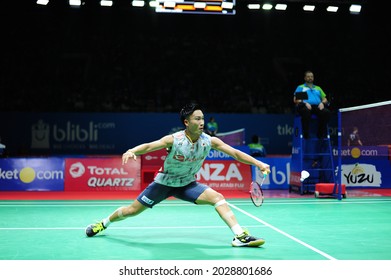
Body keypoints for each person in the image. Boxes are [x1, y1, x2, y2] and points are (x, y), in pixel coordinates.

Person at [85, 103, 271, 247]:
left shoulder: (210, 141)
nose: (201, 122)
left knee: (218, 198)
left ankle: (240, 236)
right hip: (163, 184)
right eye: (197, 119)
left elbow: (236, 153)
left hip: (187, 185)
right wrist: (132, 150)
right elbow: (150, 146)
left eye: (202, 119)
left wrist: (258, 163)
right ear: (186, 122)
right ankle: (103, 223)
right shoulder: (174, 140)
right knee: (131, 211)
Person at [293, 70, 331, 139]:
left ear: (313, 78)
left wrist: (322, 103)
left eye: (311, 77)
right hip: (305, 106)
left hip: (317, 106)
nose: (310, 78)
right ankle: (306, 135)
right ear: (305, 78)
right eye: (308, 77)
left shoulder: (318, 88)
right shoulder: (301, 87)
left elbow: (325, 99)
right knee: (306, 111)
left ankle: (320, 134)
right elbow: (296, 99)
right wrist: (305, 103)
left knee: (326, 113)